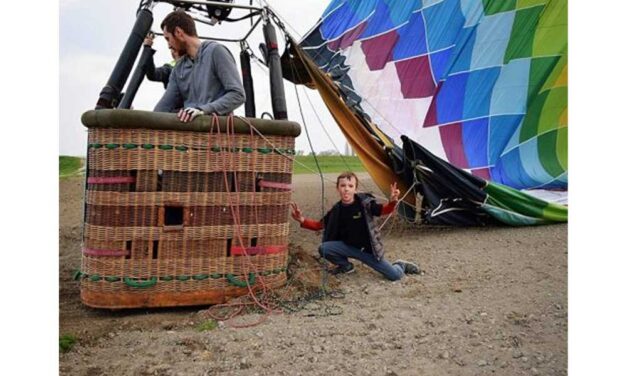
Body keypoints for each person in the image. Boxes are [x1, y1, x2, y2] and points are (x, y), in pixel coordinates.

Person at [290, 172, 421, 280]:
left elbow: (383, 210)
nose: (346, 188)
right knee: (324, 248)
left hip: (367, 251)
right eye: (343, 185)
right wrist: (301, 219)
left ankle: (400, 265)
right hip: (347, 247)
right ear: (337, 188)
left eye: (350, 185)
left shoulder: (365, 203)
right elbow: (319, 225)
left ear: (355, 189)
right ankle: (346, 266)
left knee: (394, 276)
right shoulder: (336, 209)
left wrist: (392, 202)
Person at [154, 11, 245, 122]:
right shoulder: (178, 69)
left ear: (178, 32)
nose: (169, 45)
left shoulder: (216, 52)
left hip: (216, 131)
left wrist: (203, 110)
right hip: (191, 135)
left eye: (168, 39)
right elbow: (162, 109)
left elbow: (238, 94)